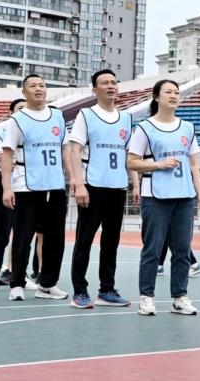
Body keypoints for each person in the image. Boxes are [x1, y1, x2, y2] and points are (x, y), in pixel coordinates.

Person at [127, 79, 200, 316]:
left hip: (184, 197)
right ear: (156, 97)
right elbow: (131, 161)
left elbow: (194, 164)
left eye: (176, 92)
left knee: (182, 249)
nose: (174, 95)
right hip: (155, 196)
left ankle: (180, 297)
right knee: (152, 249)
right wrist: (159, 163)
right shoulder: (144, 128)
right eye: (168, 92)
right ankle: (146, 296)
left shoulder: (187, 127)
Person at [67, 69, 138, 309]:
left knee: (111, 242)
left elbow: (130, 155)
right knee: (84, 240)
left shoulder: (127, 119)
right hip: (92, 186)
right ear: (94, 89)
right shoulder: (86, 115)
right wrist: (78, 183)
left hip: (117, 187)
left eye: (114, 82)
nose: (111, 86)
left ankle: (107, 289)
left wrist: (135, 183)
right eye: (105, 83)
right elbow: (75, 150)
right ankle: (79, 290)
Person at [1, 74, 70, 301]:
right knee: (23, 236)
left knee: (55, 238)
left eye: (42, 85)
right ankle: (17, 283)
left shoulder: (58, 116)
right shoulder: (17, 120)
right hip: (26, 186)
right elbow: (7, 154)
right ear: (24, 92)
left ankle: (48, 284)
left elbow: (65, 151)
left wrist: (75, 180)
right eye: (33, 86)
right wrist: (7, 187)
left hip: (55, 185)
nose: (38, 89)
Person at [0, 98, 27, 292]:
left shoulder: (33, 130)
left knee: (24, 235)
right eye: (20, 108)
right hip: (7, 183)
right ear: (11, 112)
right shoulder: (2, 131)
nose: (24, 110)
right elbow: (1, 160)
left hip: (27, 186)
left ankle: (18, 273)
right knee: (1, 233)